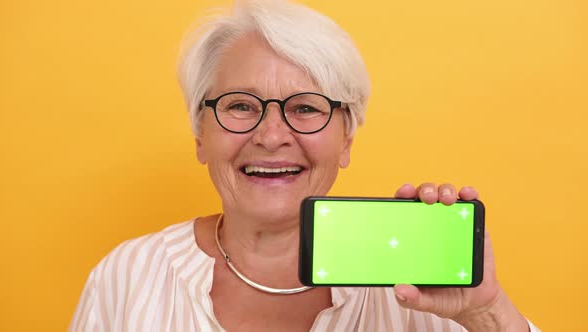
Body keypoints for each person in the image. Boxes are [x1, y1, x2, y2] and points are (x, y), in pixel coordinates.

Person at [70, 0, 540, 331]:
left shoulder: (419, 293)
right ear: (200, 136)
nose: (272, 136)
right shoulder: (128, 276)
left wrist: (486, 314)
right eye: (239, 106)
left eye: (306, 108)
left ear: (346, 140)